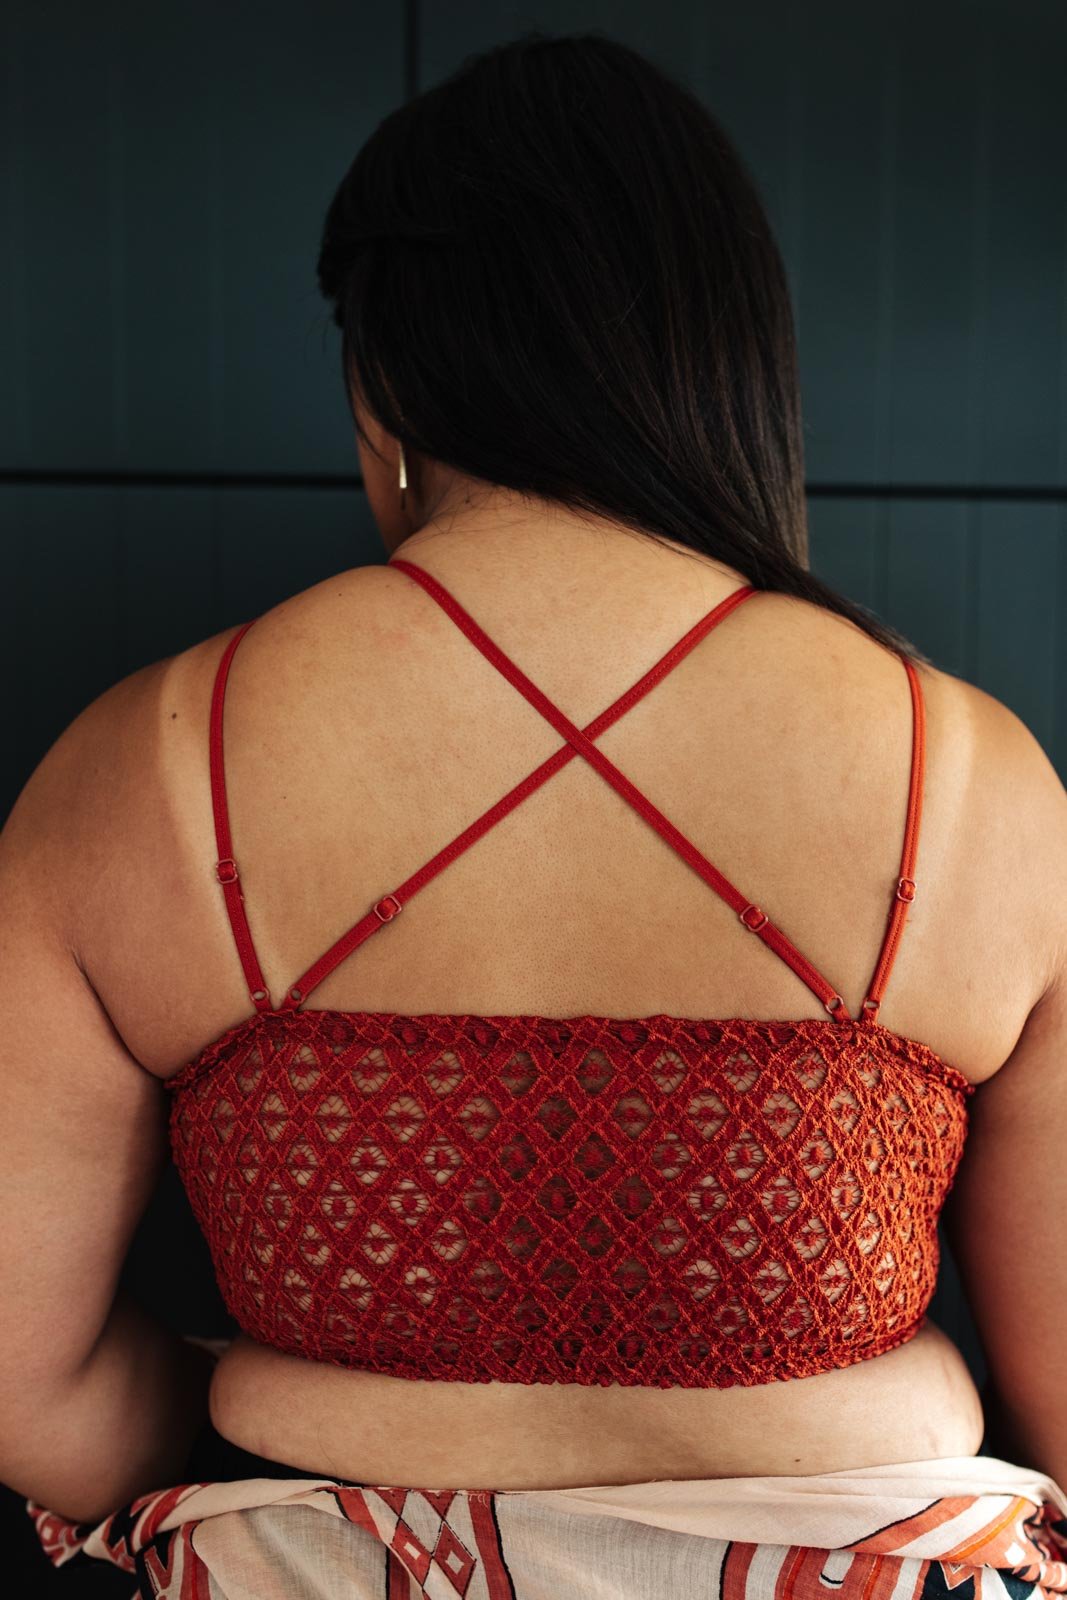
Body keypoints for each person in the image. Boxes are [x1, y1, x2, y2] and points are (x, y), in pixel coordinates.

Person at [4, 28, 1067, 1600]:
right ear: (732, 366)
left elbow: (23, 1383)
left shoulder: (143, 763)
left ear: (383, 383)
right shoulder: (973, 780)